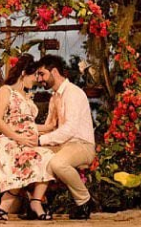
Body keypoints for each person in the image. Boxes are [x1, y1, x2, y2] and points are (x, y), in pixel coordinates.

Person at [0, 53, 58, 220]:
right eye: (34, 75)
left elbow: (28, 124)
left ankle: (36, 201)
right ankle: (6, 204)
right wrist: (18, 138)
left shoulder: (27, 96)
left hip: (26, 139)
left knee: (48, 156)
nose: (36, 79)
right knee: (20, 157)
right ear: (23, 73)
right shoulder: (6, 91)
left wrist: (49, 127)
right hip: (7, 138)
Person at [35, 54, 96, 220]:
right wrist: (30, 134)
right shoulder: (55, 97)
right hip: (65, 145)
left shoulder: (73, 93)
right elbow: (50, 126)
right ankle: (39, 204)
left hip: (81, 145)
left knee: (57, 163)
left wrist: (41, 140)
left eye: (42, 74)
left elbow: (70, 129)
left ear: (54, 71)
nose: (39, 79)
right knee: (34, 156)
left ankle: (84, 201)